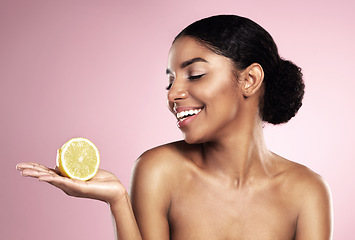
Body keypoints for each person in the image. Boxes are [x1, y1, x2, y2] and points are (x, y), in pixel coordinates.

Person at [16, 15, 333, 240]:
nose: (172, 94)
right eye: (170, 80)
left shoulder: (307, 191)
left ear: (249, 80)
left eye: (194, 74)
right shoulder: (159, 170)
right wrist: (118, 202)